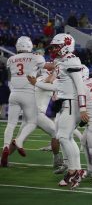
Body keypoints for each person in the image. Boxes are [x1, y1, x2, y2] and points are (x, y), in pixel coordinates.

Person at [0, 36, 52, 167]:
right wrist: (59, 64)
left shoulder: (11, 59)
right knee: (32, 122)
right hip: (28, 93)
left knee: (11, 124)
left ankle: (6, 146)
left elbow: (12, 74)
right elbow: (48, 66)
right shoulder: (36, 57)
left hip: (14, 94)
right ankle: (19, 141)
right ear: (30, 46)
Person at [49, 33, 88, 189]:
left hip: (72, 103)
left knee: (63, 136)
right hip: (68, 102)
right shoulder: (64, 61)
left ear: (65, 45)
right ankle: (75, 170)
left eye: (56, 46)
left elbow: (80, 86)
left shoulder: (71, 59)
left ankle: (75, 171)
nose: (54, 49)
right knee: (67, 137)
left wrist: (83, 107)